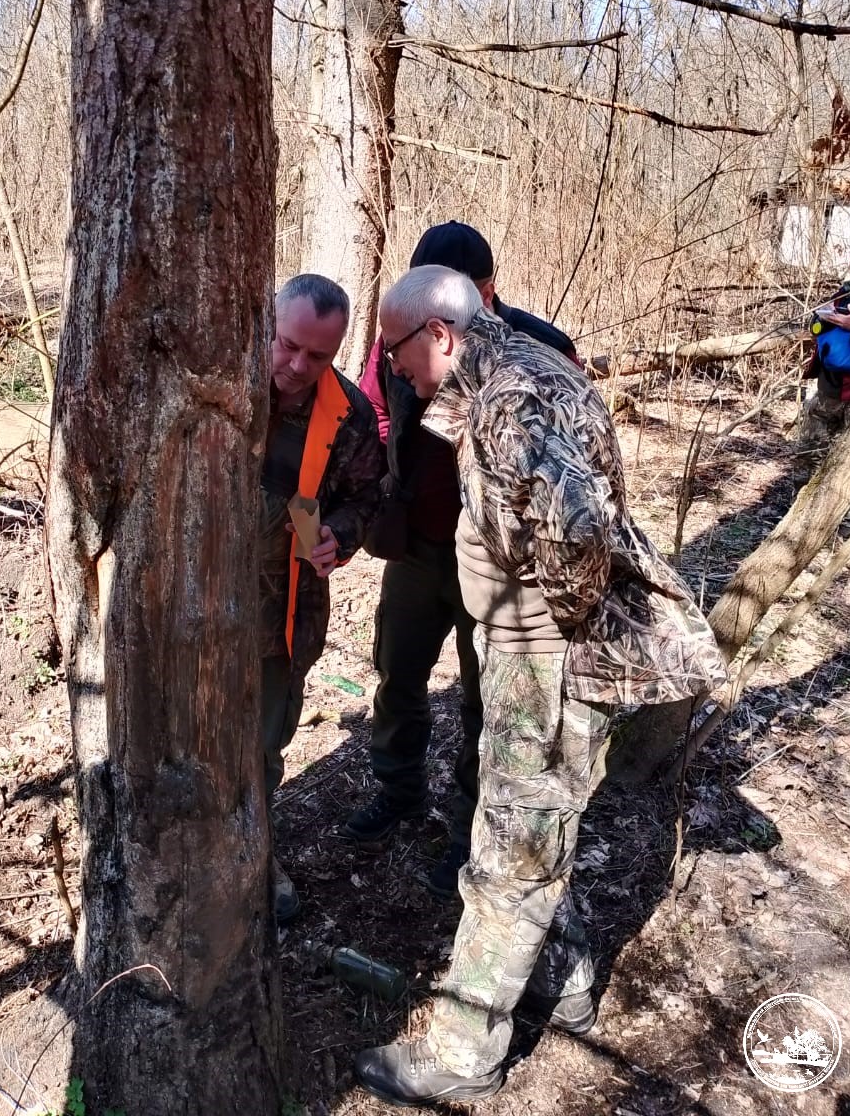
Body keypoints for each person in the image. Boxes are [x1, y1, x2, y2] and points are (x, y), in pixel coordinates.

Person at [354, 266, 726, 1105]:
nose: (394, 368)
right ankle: (564, 981)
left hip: (542, 660)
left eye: (397, 351)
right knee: (533, 825)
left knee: (509, 853)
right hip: (532, 650)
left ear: (439, 334)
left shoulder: (510, 398)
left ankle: (462, 1054)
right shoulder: (523, 368)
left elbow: (579, 527)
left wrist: (554, 623)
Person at [343, 222, 577, 901]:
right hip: (418, 548)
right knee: (397, 673)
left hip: (503, 567)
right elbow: (373, 408)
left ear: (487, 291)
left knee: (486, 701)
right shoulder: (399, 340)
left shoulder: (538, 349)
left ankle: (472, 828)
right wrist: (390, 464)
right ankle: (398, 789)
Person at [261, 274, 383, 922]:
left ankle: (254, 859)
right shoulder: (216, 379)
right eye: (288, 345)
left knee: (262, 746)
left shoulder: (348, 414)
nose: (297, 366)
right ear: (268, 325)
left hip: (285, 610)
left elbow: (366, 497)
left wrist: (337, 533)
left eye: (318, 356)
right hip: (193, 605)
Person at [796, 236, 850, 472]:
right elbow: (815, 327)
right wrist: (822, 319)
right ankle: (800, 494)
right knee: (808, 456)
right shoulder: (847, 291)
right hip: (829, 389)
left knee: (845, 470)